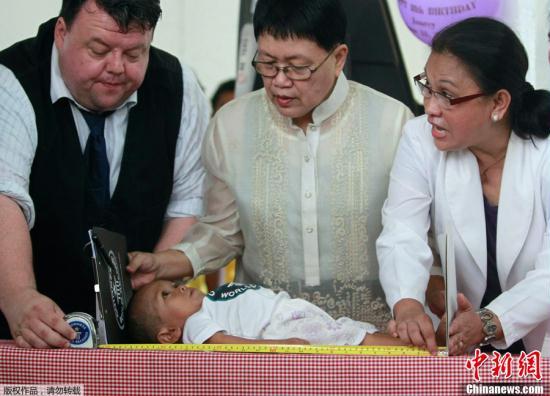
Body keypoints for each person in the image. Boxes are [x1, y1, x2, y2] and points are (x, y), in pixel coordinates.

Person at [128, 0, 412, 330]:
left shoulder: (392, 123)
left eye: (297, 67)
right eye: (267, 63)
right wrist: (164, 263)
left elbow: (414, 237)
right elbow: (222, 233)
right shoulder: (232, 124)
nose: (279, 81)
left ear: (338, 58)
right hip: (262, 341)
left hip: (377, 338)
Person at [0, 0, 209, 348]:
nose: (116, 68)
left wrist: (151, 293)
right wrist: (18, 295)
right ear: (62, 32)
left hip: (132, 341)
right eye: (98, 50)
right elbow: (5, 197)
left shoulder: (179, 88)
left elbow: (188, 204)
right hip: (17, 330)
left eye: (134, 54)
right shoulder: (12, 81)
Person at [376, 17, 550, 355]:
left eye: (447, 95)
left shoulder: (545, 152)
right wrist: (408, 303)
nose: (430, 108)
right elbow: (401, 231)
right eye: (427, 87)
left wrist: (490, 320)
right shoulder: (419, 139)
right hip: (462, 344)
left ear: (499, 103)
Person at [127, 279, 408, 347]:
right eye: (166, 295)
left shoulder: (208, 302)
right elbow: (227, 347)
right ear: (168, 334)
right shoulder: (193, 325)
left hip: (290, 316)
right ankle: (419, 352)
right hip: (279, 330)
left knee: (349, 329)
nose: (178, 288)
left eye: (173, 284)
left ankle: (408, 345)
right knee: (348, 335)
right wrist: (278, 346)